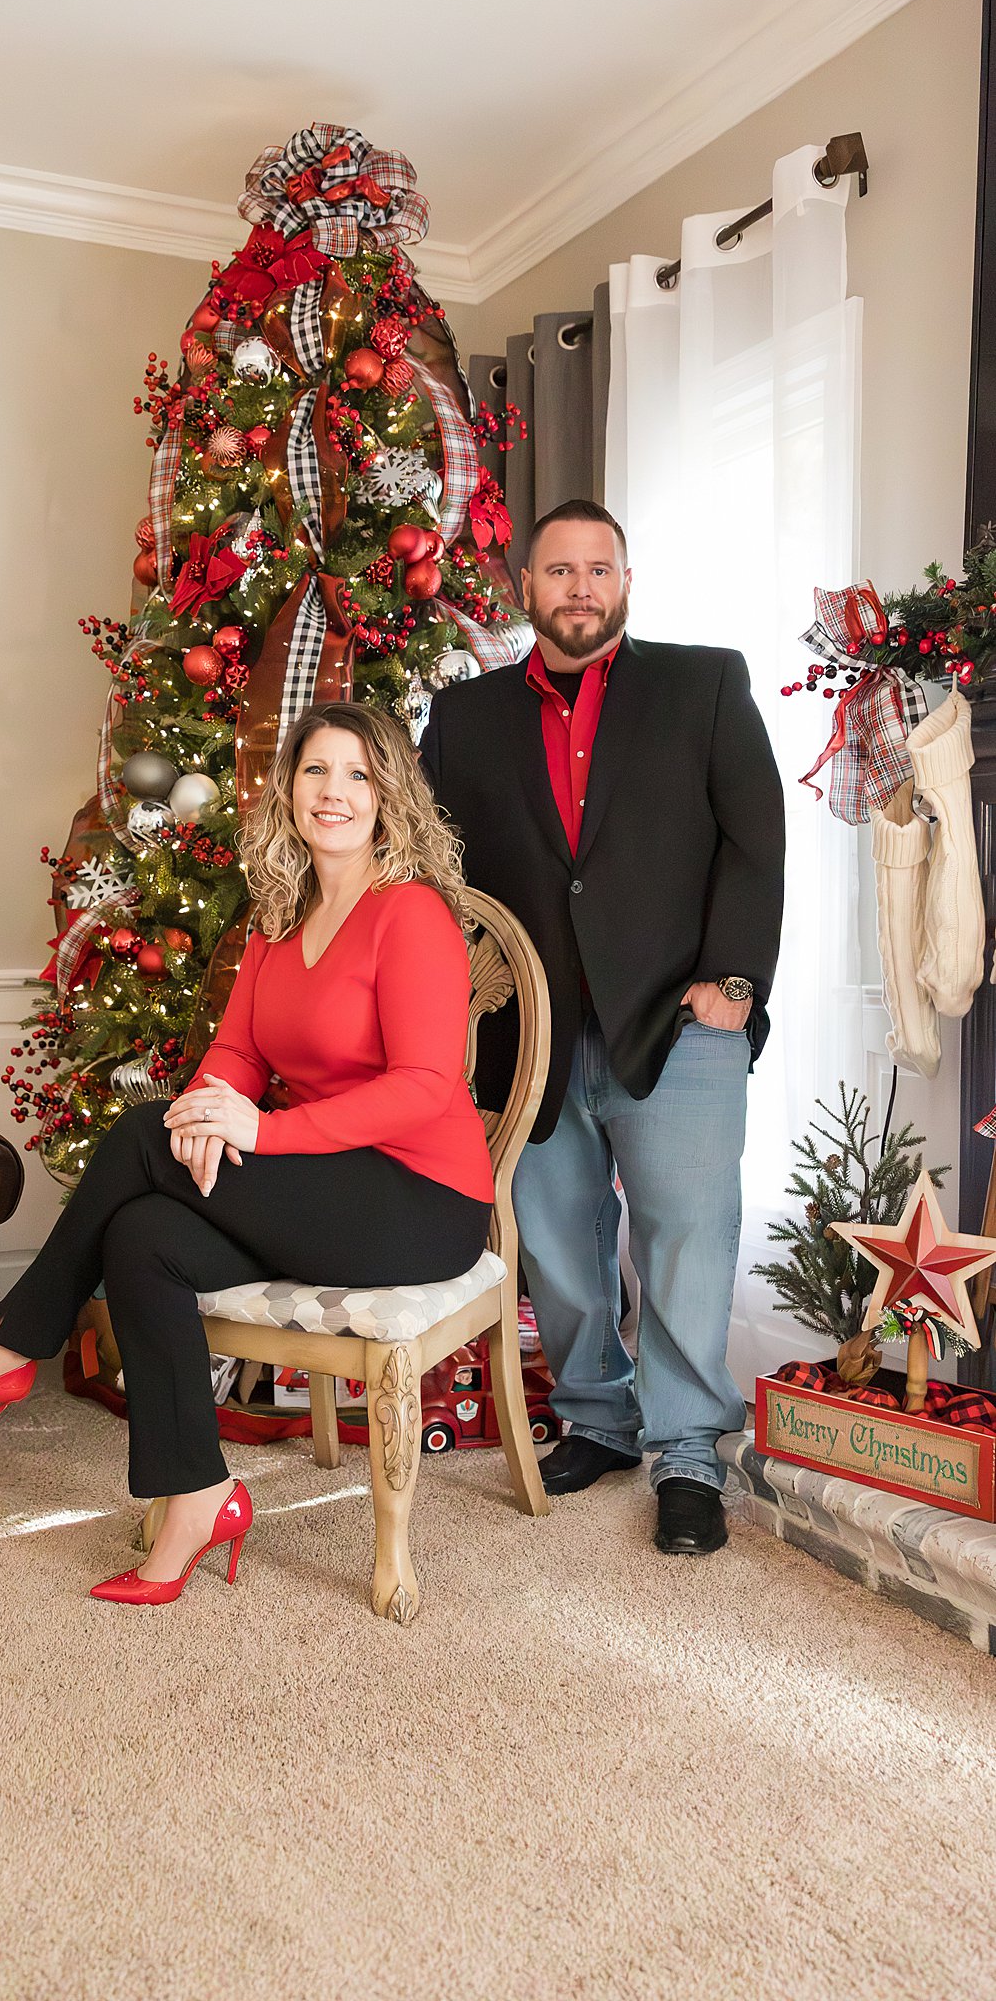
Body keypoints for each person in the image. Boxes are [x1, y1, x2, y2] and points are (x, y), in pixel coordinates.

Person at [0, 702, 495, 1605]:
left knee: (134, 1135)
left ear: (391, 793)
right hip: (319, 1186)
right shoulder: (281, 917)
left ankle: (6, 1344)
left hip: (418, 1201)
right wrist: (207, 1111)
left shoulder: (413, 915)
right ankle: (197, 1493)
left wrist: (259, 1132)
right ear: (290, 789)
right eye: (317, 771)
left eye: (359, 774)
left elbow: (424, 1087)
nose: (335, 793)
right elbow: (238, 1051)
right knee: (144, 1236)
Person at [419, 499, 785, 1556]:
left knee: (683, 1239)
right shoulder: (467, 716)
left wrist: (733, 982)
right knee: (562, 1245)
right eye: (558, 570)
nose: (579, 586)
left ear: (623, 581)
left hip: (680, 1017)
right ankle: (597, 1417)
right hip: (532, 1030)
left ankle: (683, 1452)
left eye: (599, 568)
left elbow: (753, 843)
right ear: (523, 588)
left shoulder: (702, 683)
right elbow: (442, 877)